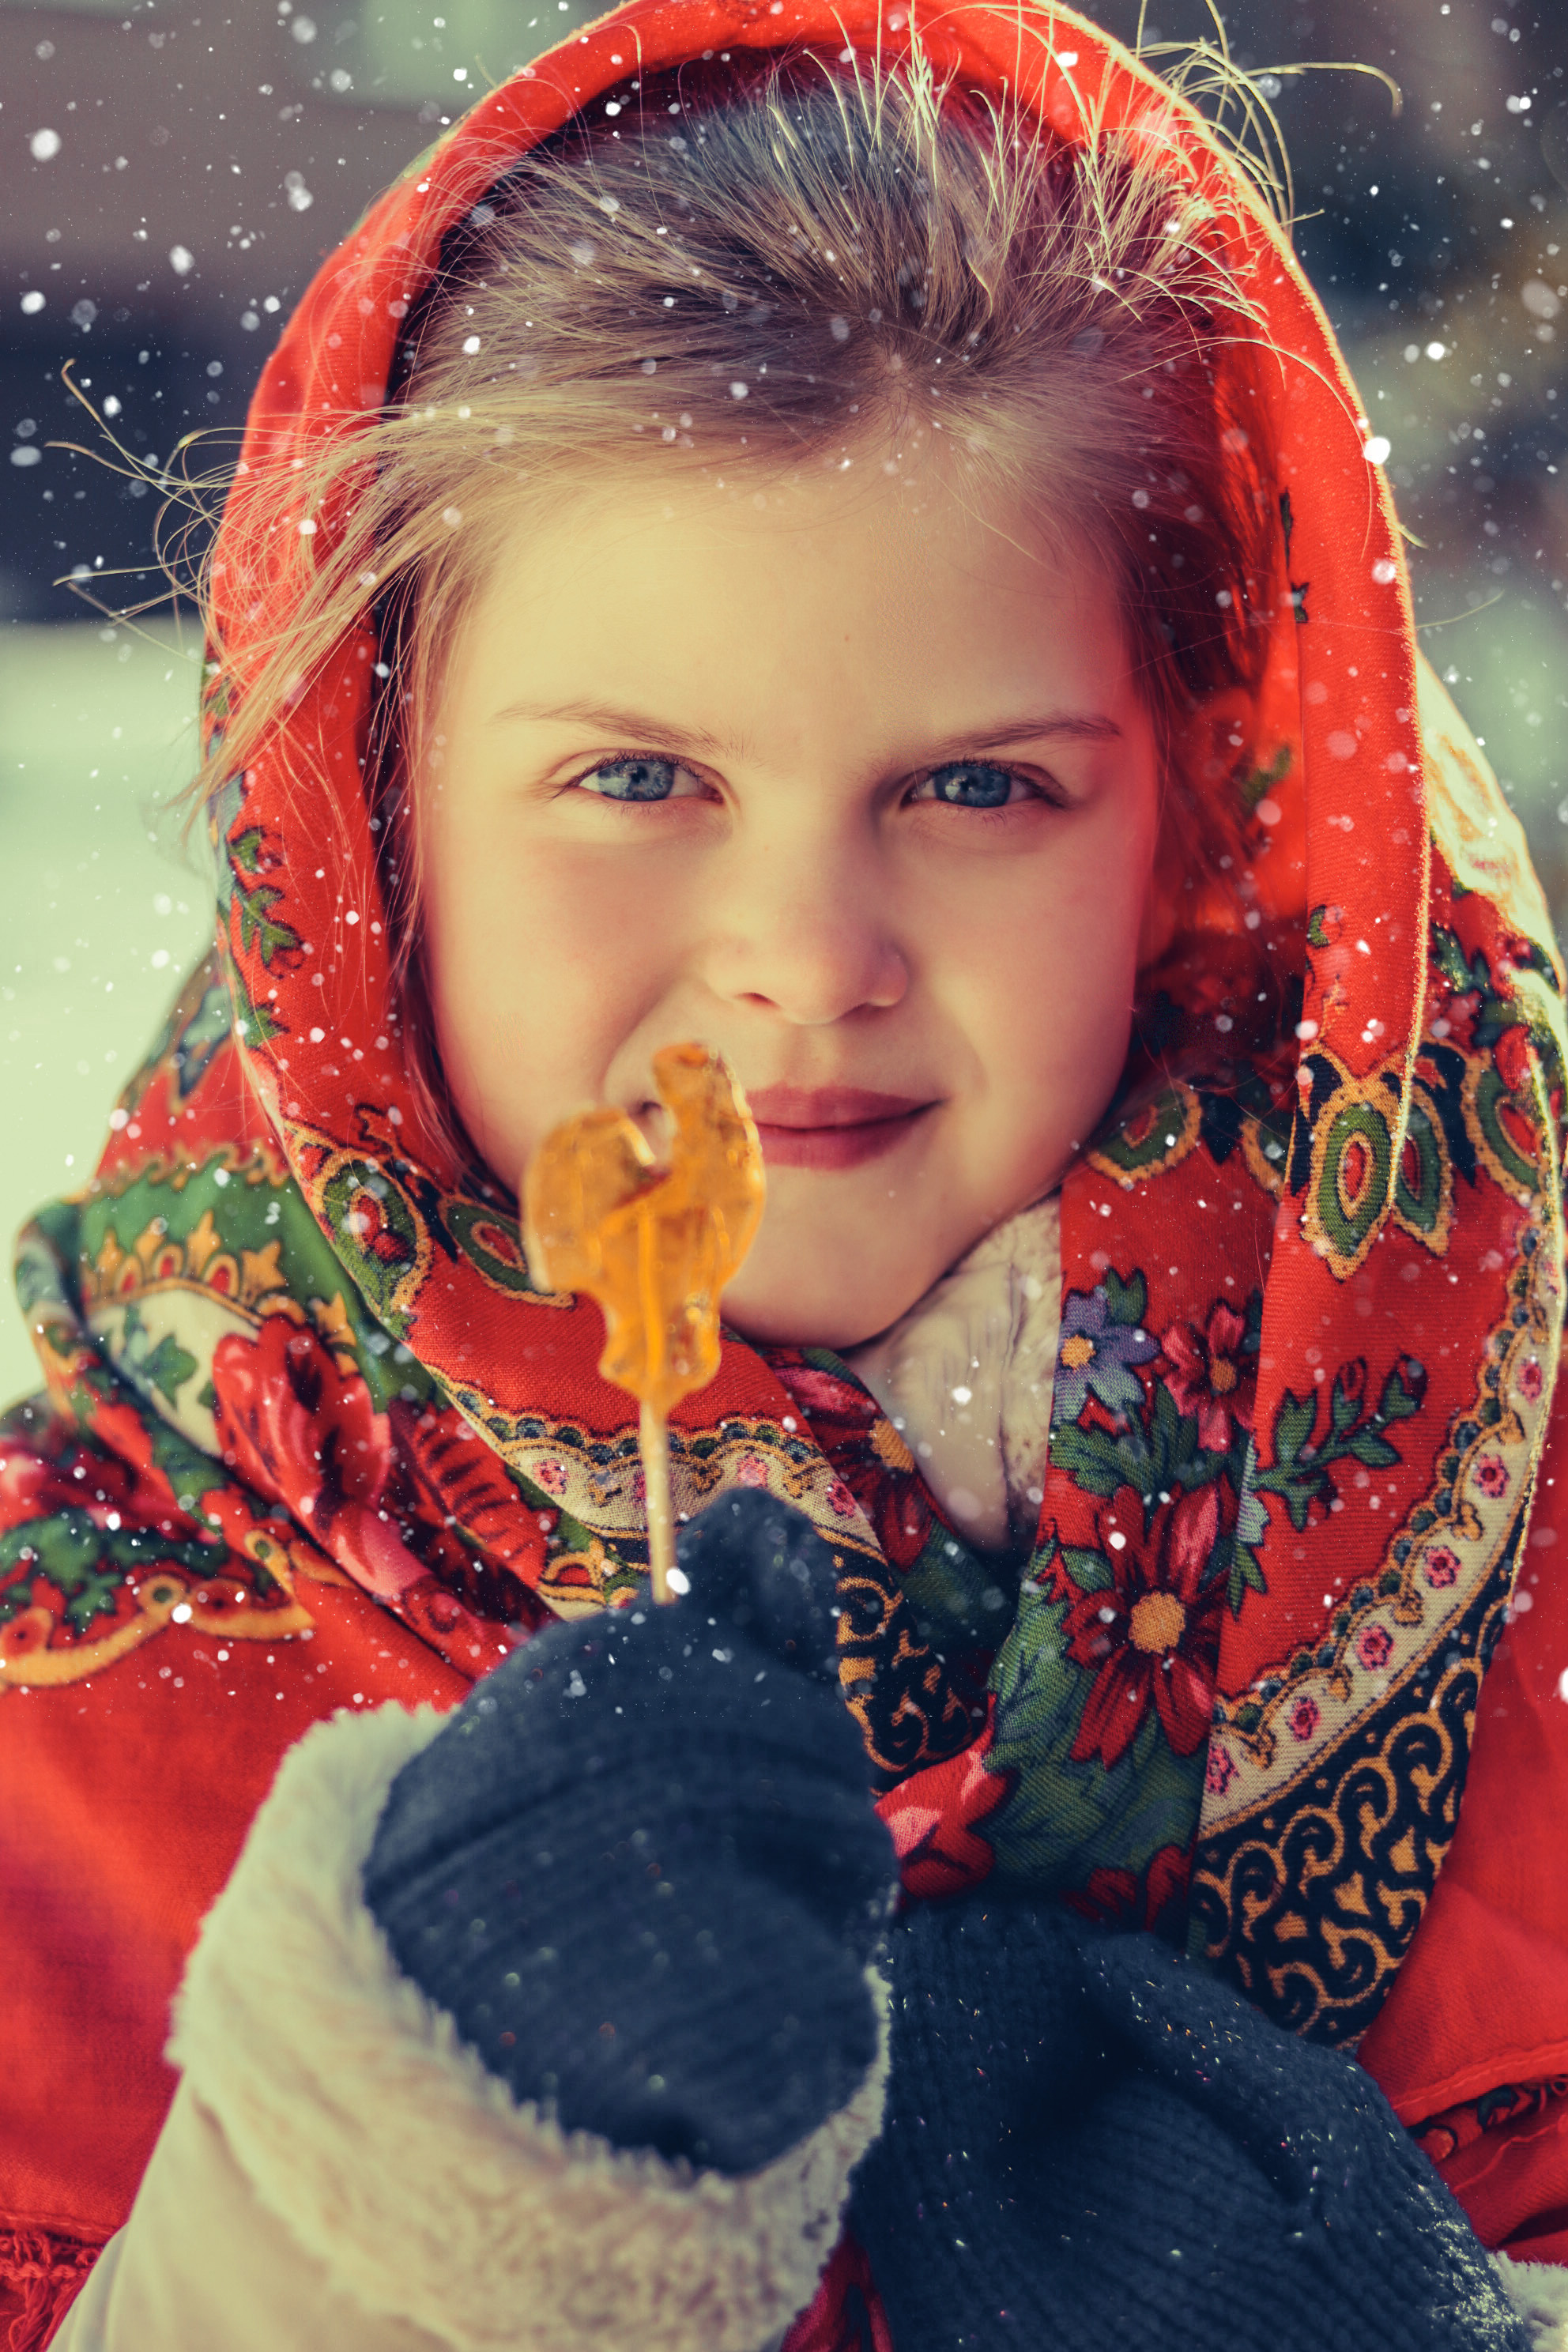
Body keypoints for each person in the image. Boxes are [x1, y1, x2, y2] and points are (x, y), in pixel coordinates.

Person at [3, 2, 1568, 2346]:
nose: (807, 965)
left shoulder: (1526, 1515)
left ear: (1207, 815)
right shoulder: (92, 1644)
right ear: (375, 807)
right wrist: (383, 2214)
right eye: (638, 781)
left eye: (978, 790)